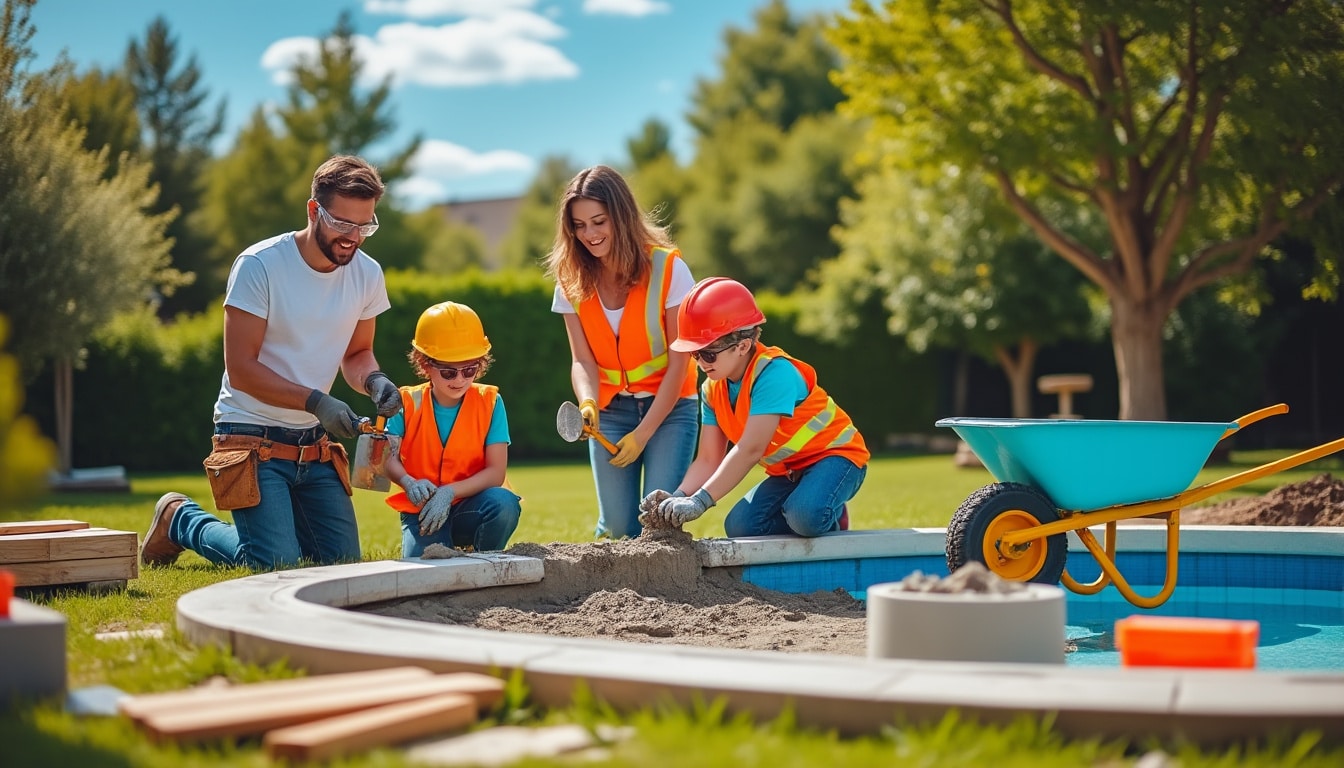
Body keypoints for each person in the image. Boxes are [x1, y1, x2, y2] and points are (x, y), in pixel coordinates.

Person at [140, 154, 402, 570]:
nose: (353, 237)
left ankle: (274, 526)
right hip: (248, 437)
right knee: (273, 564)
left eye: (365, 225)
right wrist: (318, 402)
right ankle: (179, 519)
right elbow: (241, 369)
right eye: (342, 223)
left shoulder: (367, 274)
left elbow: (356, 353)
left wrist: (374, 380)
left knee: (342, 565)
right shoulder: (259, 265)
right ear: (314, 210)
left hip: (313, 446)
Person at [640, 277, 869, 537]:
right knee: (741, 526)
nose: (701, 363)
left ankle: (827, 510)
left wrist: (700, 501)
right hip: (791, 471)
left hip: (838, 459)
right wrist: (677, 497)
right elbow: (708, 458)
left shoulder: (774, 374)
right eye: (695, 354)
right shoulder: (712, 390)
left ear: (743, 345)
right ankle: (812, 503)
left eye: (708, 353)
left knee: (805, 516)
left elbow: (751, 449)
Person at [544, 165, 700, 539]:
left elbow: (680, 365)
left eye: (599, 221)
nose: (590, 235)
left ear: (622, 217)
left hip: (671, 411)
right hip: (611, 411)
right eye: (579, 226)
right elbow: (581, 360)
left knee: (658, 522)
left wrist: (644, 433)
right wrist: (587, 403)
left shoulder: (669, 270)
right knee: (617, 527)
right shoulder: (569, 280)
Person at [379, 301, 522, 557]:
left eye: (469, 370)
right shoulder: (406, 402)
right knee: (427, 570)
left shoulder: (490, 402)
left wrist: (449, 492)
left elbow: (496, 473)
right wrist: (408, 482)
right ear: (425, 365)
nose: (460, 380)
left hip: (471, 504)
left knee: (505, 503)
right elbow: (386, 458)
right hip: (421, 510)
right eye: (448, 372)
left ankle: (486, 561)